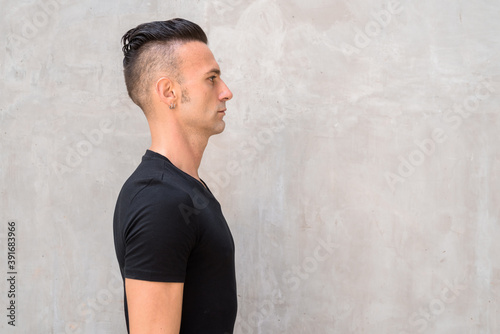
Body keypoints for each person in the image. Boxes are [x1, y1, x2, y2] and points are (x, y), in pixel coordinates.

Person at [113, 18, 237, 334]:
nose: (226, 92)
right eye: (211, 79)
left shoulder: (181, 189)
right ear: (169, 92)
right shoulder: (161, 201)